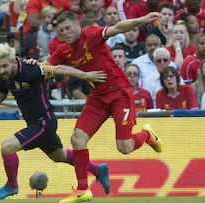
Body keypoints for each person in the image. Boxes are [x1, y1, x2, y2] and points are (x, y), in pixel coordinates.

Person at [0, 43, 110, 200]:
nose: (1, 70)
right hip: (36, 124)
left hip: (44, 122)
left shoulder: (30, 69)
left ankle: (11, 185)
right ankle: (97, 169)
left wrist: (86, 76)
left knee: (7, 147)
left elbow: (58, 69)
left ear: (13, 60)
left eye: (4, 66)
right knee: (59, 156)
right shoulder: (5, 74)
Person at [43, 11, 163, 203]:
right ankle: (82, 189)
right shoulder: (63, 51)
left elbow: (117, 28)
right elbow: (46, 67)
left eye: (67, 28)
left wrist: (141, 20)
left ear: (76, 24)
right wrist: (29, 65)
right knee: (77, 139)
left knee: (124, 147)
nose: (65, 33)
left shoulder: (91, 34)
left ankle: (146, 135)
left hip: (119, 93)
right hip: (97, 97)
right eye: (60, 31)